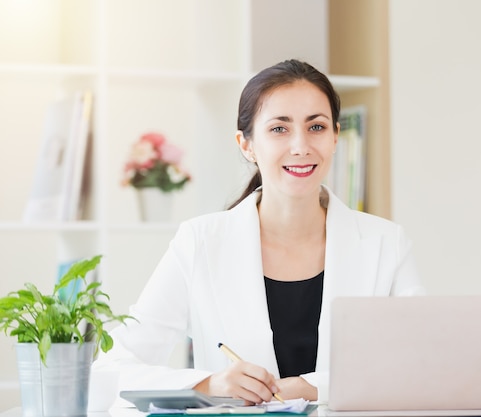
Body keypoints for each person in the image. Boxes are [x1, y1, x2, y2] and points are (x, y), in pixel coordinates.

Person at [93, 59, 424, 404]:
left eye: (317, 127)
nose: (300, 146)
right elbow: (110, 370)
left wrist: (315, 388)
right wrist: (207, 384)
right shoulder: (200, 242)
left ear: (336, 136)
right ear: (246, 144)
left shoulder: (386, 243)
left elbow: (424, 366)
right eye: (279, 129)